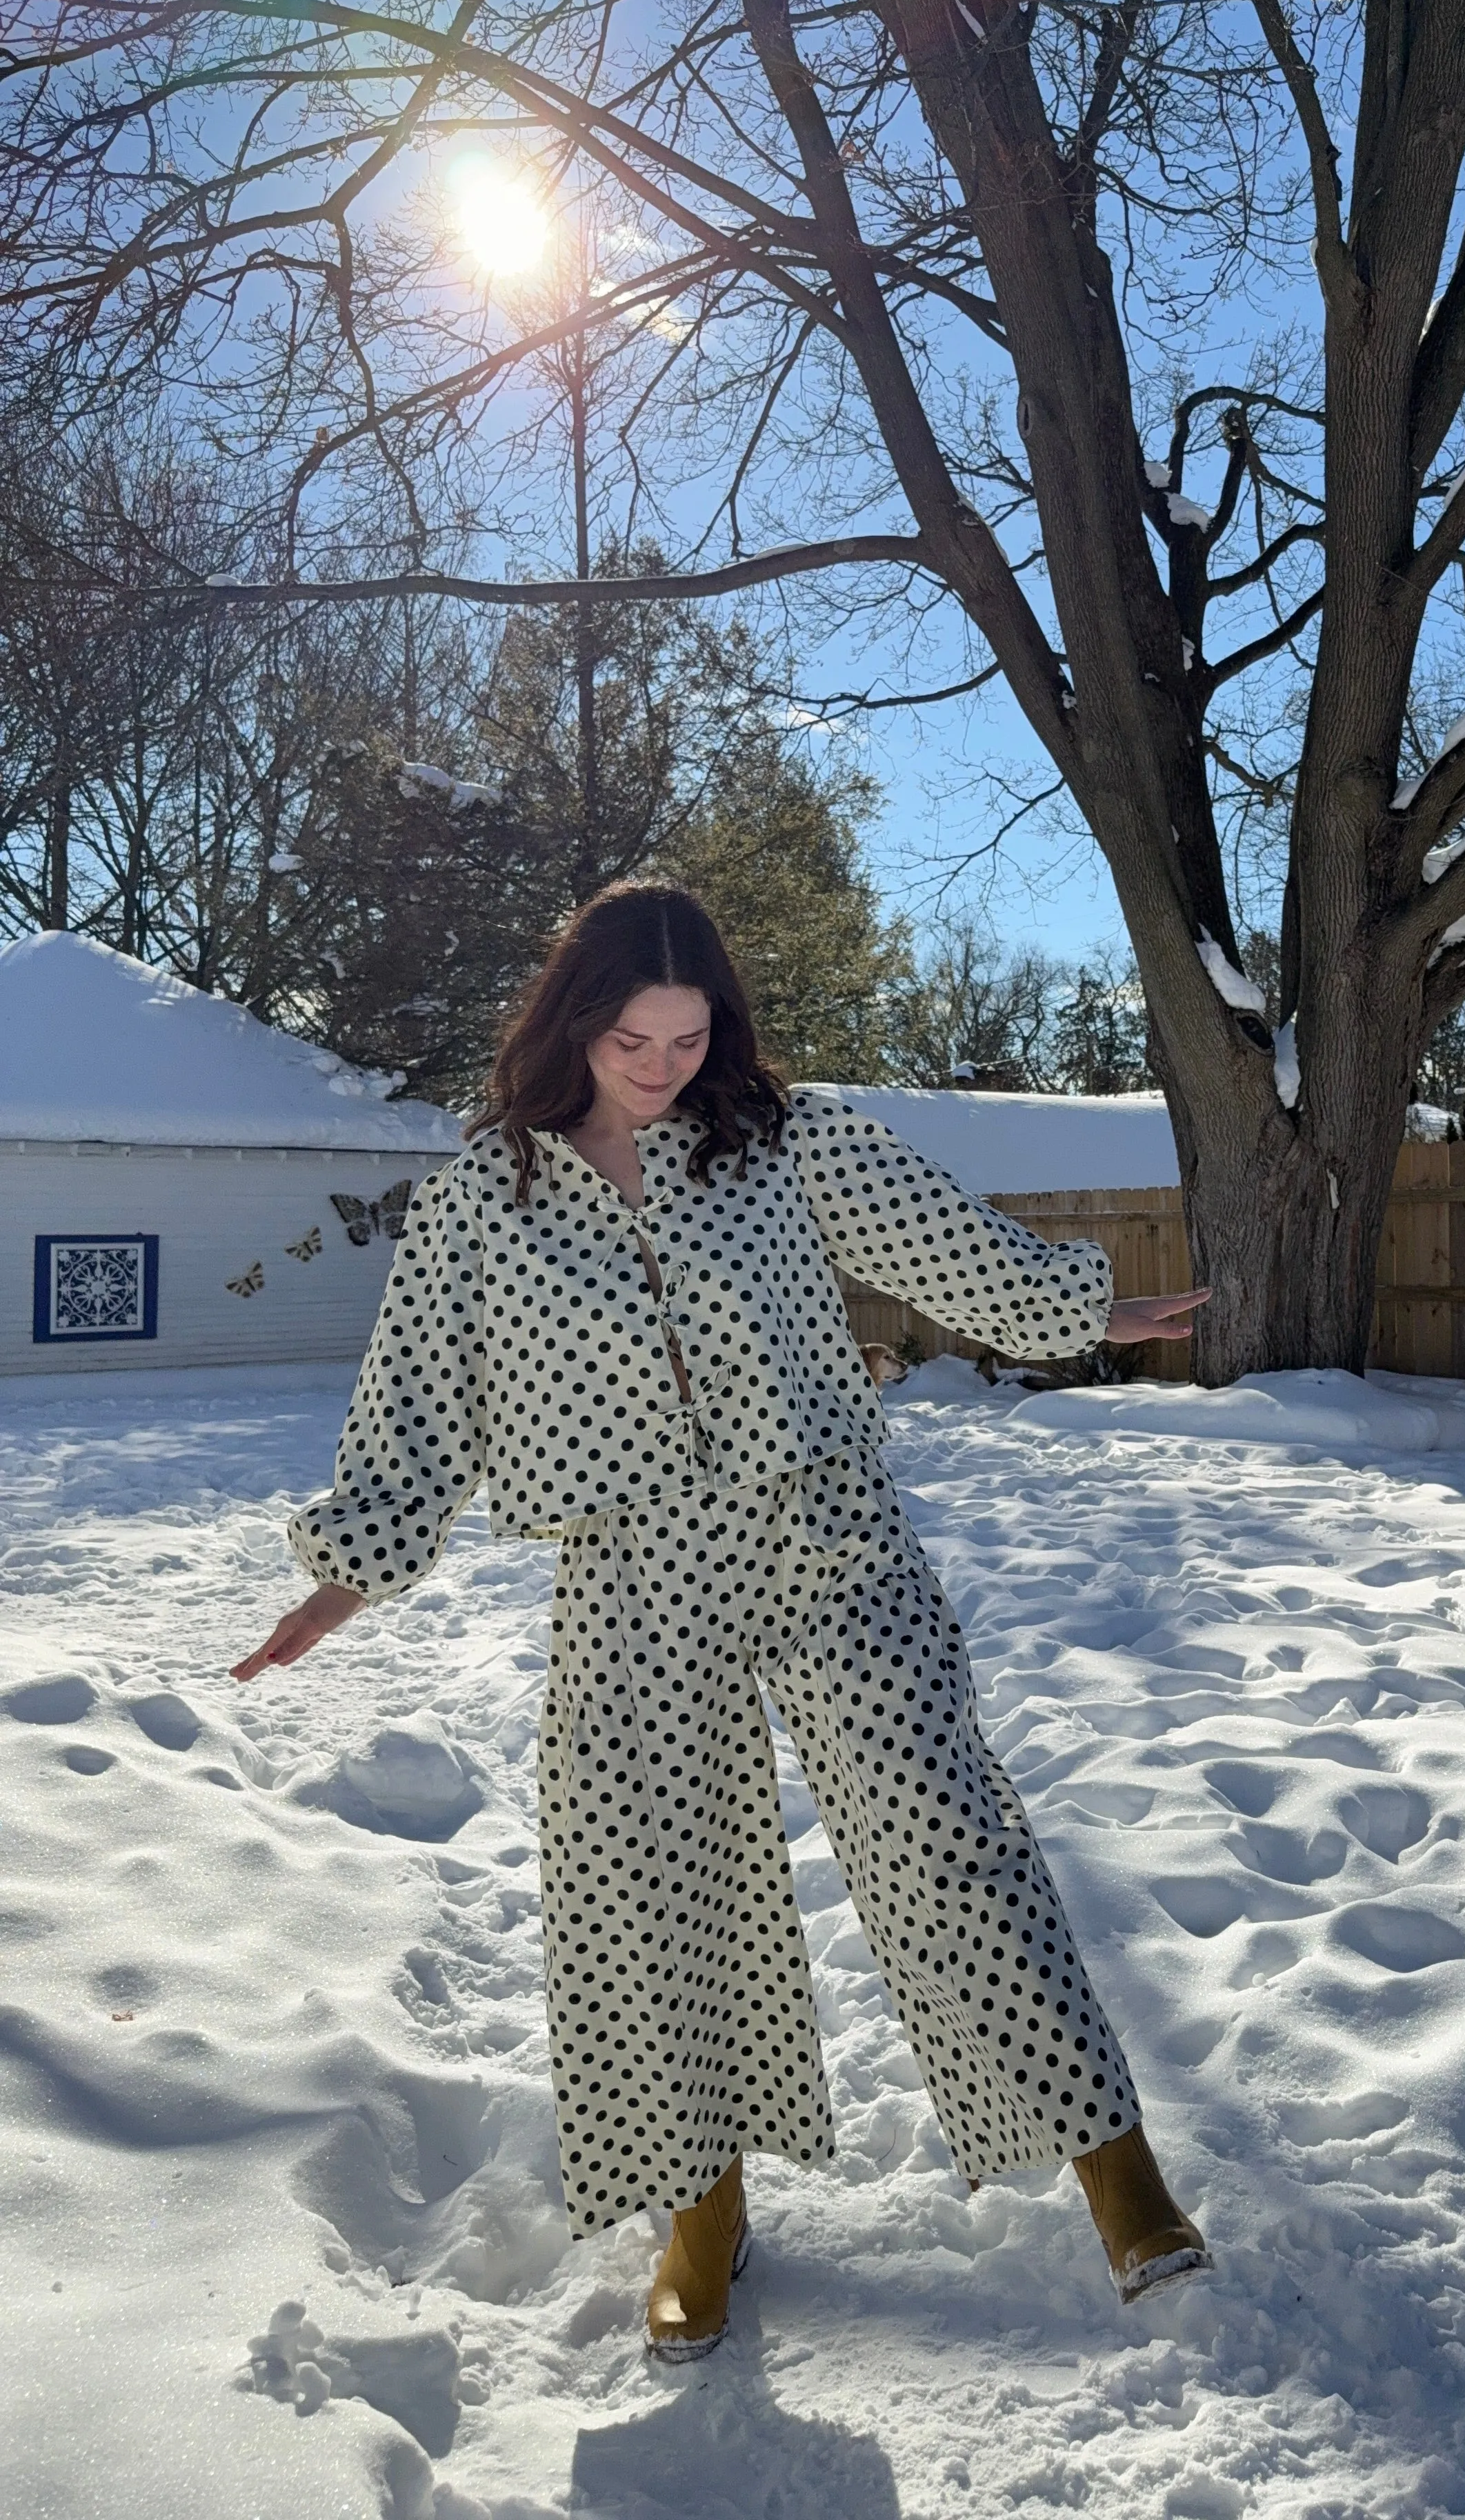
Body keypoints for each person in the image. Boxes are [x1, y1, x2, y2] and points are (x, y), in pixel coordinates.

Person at [232, 882, 1213, 2359]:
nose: (664, 1063)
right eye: (635, 1035)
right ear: (575, 1019)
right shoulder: (481, 1200)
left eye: (692, 1036)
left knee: (949, 1842)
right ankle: (699, 2207)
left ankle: (1115, 2170)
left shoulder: (785, 1139)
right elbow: (419, 1406)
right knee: (647, 1890)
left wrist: (1083, 1312)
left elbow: (950, 1245)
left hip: (827, 1538)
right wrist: (348, 1572)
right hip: (633, 1573)